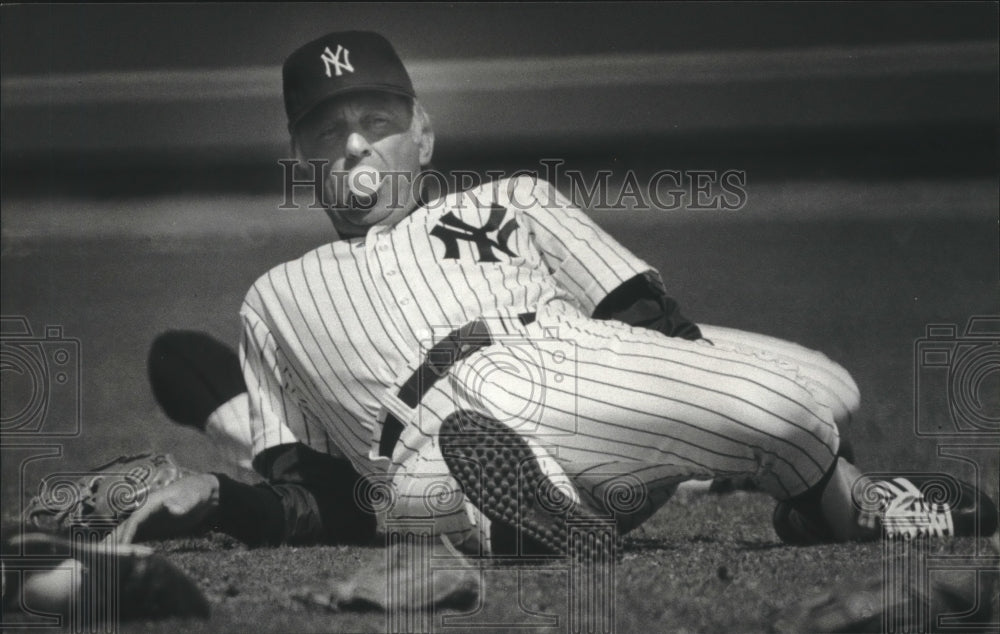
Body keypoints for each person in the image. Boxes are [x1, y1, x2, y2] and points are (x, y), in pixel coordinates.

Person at [116, 31, 996, 554]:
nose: (353, 145)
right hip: (424, 448)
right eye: (326, 130)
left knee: (795, 411)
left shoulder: (514, 199)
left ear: (423, 134)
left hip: (569, 364)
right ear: (300, 156)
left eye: (376, 121)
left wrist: (719, 420)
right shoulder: (272, 299)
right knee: (427, 480)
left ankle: (845, 502)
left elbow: (647, 322)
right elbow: (320, 494)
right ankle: (538, 519)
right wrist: (226, 502)